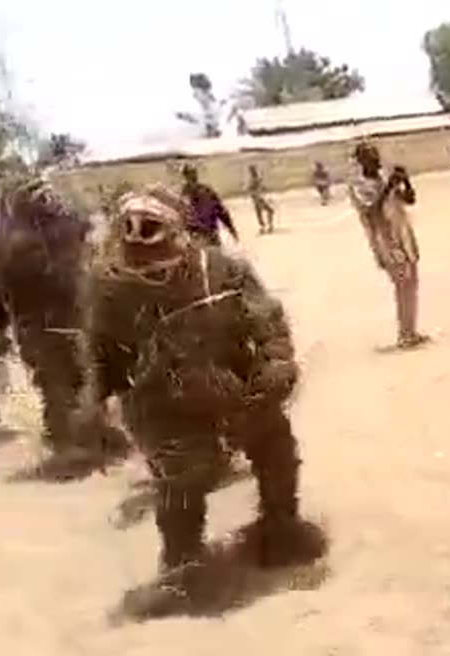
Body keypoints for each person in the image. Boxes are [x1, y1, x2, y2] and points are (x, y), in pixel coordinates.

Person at [85, 184, 325, 615]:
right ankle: (181, 565)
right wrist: (96, 403)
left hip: (239, 388)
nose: (149, 265)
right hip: (164, 405)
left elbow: (266, 319)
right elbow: (101, 353)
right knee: (179, 482)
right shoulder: (110, 289)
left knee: (275, 448)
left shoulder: (222, 270)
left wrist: (276, 362)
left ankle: (280, 526)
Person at [0, 176, 130, 477]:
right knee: (60, 382)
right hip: (44, 324)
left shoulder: (66, 227)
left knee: (82, 376)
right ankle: (70, 443)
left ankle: (90, 435)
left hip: (72, 316)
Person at [348, 141, 429, 350]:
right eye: (370, 157)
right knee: (402, 283)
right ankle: (404, 334)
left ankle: (410, 331)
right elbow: (372, 211)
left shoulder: (384, 178)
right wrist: (389, 186)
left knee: (412, 284)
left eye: (376, 155)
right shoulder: (358, 185)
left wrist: (406, 182)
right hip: (385, 240)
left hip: (403, 234)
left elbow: (410, 200)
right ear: (360, 161)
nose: (376, 160)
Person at [179, 164, 238, 246]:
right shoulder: (182, 196)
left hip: (210, 235)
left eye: (194, 173)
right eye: (190, 174)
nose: (193, 176)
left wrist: (231, 229)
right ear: (185, 176)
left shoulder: (206, 190)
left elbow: (221, 211)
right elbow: (181, 218)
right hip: (197, 238)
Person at [247, 164, 276, 234]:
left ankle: (263, 227)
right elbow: (252, 189)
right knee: (270, 211)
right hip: (258, 199)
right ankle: (268, 226)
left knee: (260, 213)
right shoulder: (254, 180)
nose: (255, 171)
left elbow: (252, 189)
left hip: (257, 199)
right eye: (254, 170)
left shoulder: (254, 179)